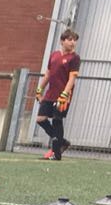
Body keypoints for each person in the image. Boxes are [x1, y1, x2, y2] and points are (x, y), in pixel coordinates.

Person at [34, 27, 80, 161]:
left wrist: (65, 94)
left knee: (56, 120)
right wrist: (39, 89)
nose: (73, 42)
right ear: (62, 41)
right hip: (50, 94)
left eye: (74, 40)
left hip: (63, 96)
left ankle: (56, 153)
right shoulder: (54, 55)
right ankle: (62, 142)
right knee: (40, 119)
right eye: (70, 39)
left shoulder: (74, 58)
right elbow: (48, 74)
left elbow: (72, 78)